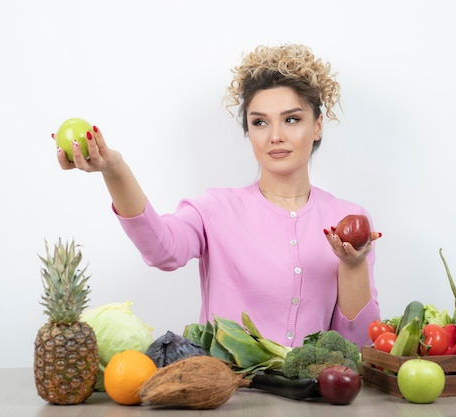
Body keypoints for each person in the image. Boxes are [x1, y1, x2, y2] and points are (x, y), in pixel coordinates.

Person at [56, 44, 381, 348]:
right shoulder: (215, 210)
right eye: (259, 123)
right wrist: (115, 170)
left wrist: (353, 266)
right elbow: (161, 250)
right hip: (228, 397)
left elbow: (357, 343)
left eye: (292, 119)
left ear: (318, 126)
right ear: (248, 131)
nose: (276, 136)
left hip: (313, 400)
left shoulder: (347, 218)